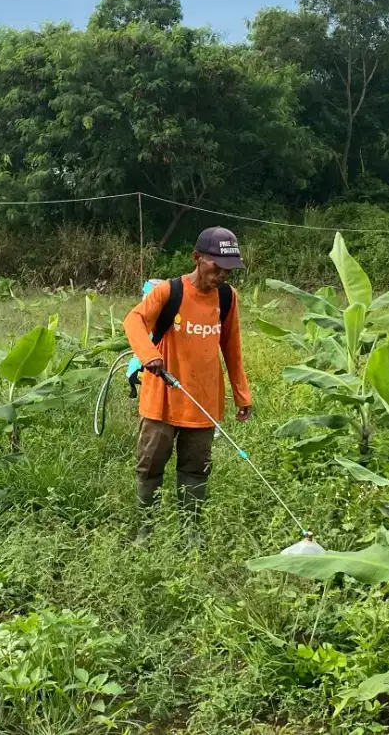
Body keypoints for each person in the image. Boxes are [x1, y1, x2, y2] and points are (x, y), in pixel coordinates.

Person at [122, 226, 252, 542]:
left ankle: (191, 533)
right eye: (217, 267)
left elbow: (232, 348)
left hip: (203, 402)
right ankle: (146, 530)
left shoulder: (227, 298)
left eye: (229, 270)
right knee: (150, 466)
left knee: (196, 469)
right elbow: (133, 320)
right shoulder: (169, 292)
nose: (222, 275)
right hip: (162, 401)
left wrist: (242, 394)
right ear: (197, 258)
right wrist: (149, 354)